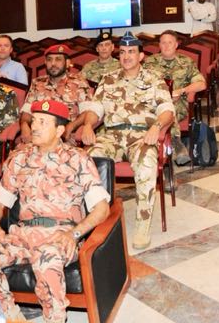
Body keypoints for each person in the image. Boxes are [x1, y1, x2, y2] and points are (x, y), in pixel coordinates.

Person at [0, 100, 111, 323]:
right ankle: (12, 317)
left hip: (59, 235)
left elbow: (102, 208)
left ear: (60, 130)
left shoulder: (78, 159)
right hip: (22, 234)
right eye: (34, 121)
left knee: (46, 257)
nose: (34, 126)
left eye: (43, 122)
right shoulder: (19, 159)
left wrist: (74, 234)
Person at [74, 32, 175, 250]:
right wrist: (89, 125)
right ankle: (93, 217)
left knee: (146, 162)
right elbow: (95, 109)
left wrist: (156, 127)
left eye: (131, 52)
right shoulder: (108, 79)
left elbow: (168, 111)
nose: (126, 56)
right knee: (88, 158)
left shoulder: (154, 79)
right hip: (112, 136)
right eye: (122, 52)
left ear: (141, 56)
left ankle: (142, 225)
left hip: (142, 135)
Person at [143, 31, 206, 165]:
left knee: (170, 108)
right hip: (154, 104)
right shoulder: (149, 63)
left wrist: (181, 91)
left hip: (178, 104)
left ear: (176, 45)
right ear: (159, 45)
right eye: (163, 43)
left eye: (170, 43)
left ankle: (175, 143)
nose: (166, 46)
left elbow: (201, 84)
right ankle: (174, 146)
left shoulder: (186, 62)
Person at [22, 44, 91, 142]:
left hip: (65, 137)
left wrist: (72, 126)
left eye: (58, 59)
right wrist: (24, 125)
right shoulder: (37, 82)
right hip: (38, 135)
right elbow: (27, 110)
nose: (53, 63)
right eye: (49, 60)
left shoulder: (79, 83)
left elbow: (87, 112)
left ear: (67, 63)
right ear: (45, 62)